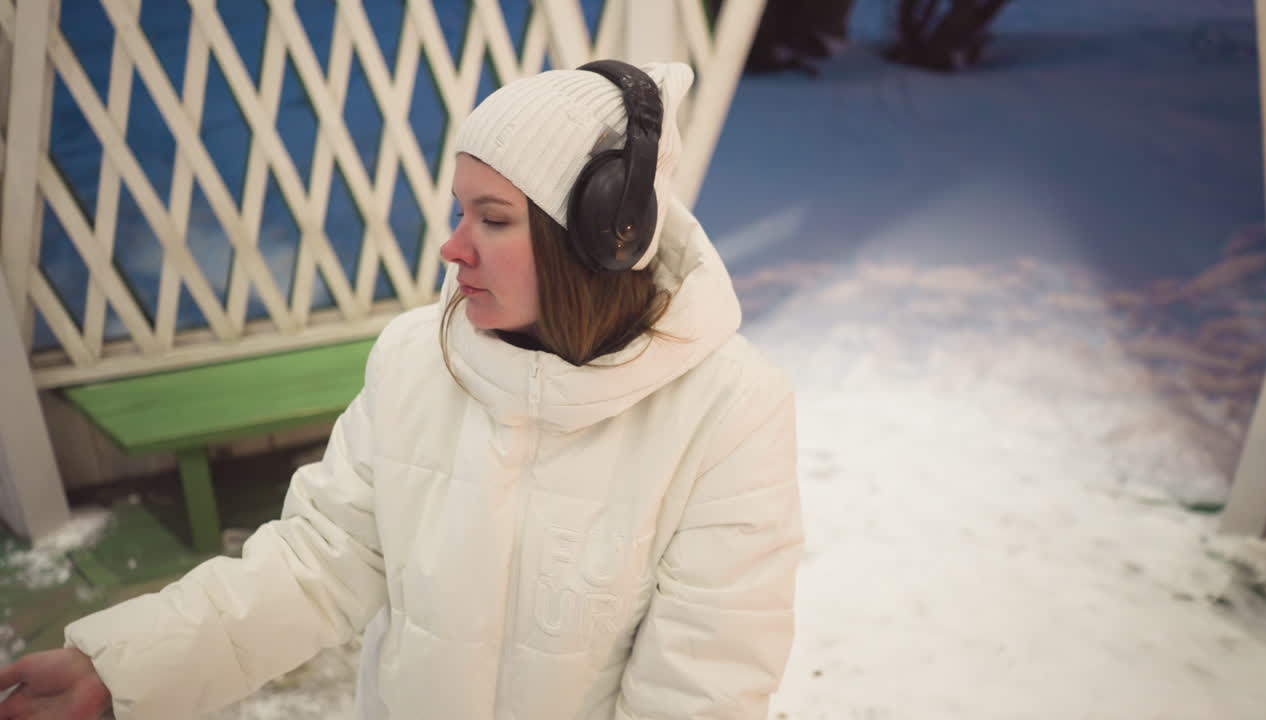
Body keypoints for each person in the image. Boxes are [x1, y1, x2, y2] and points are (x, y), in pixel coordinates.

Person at [0, 59, 804, 720]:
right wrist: (125, 669)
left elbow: (699, 691)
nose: (454, 248)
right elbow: (320, 560)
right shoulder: (418, 359)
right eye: (460, 212)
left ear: (601, 238)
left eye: (492, 219)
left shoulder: (728, 413)